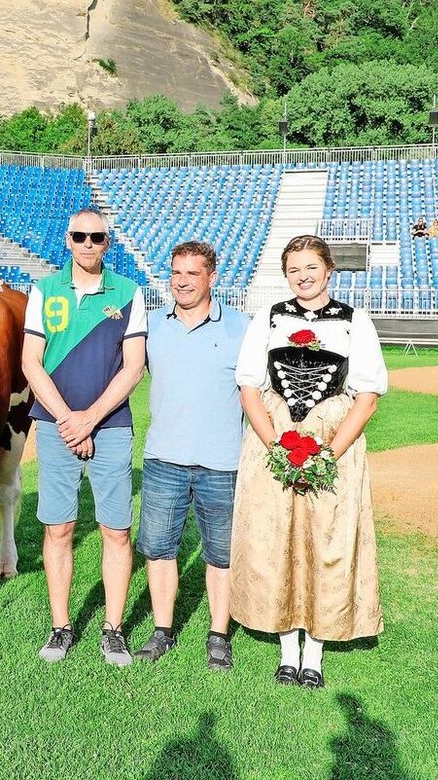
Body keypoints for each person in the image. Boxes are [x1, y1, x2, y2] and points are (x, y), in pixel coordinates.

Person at [231, 234, 388, 689]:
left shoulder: (354, 322)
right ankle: (286, 651)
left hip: (331, 441)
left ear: (328, 270)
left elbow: (367, 397)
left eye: (311, 267)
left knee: (326, 539)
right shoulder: (269, 317)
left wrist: (325, 456)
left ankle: (314, 653)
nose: (302, 276)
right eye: (294, 269)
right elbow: (249, 389)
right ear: (286, 274)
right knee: (274, 537)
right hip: (274, 440)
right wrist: (278, 446)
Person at [22, 208, 146, 666]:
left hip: (109, 426)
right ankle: (60, 626)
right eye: (80, 236)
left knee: (115, 529)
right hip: (55, 427)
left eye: (97, 237)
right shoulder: (45, 290)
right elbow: (31, 363)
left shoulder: (129, 293)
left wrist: (89, 419)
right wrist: (68, 420)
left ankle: (113, 629)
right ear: (68, 241)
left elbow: (134, 367)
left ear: (107, 243)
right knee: (59, 527)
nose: (89, 244)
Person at [135, 241, 250, 670]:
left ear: (211, 277)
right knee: (159, 550)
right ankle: (162, 631)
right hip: (164, 459)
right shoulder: (151, 327)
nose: (182, 282)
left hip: (223, 463)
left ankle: (218, 635)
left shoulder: (241, 328)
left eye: (192, 274)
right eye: (176, 273)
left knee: (221, 554)